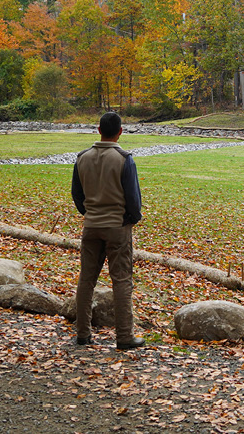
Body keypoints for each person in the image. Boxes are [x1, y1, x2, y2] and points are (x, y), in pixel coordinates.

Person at [71, 111, 145, 349]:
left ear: (99, 130)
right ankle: (124, 337)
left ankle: (82, 334)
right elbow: (133, 198)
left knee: (86, 280)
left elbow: (77, 194)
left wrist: (89, 213)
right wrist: (131, 219)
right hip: (117, 227)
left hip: (91, 225)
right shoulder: (124, 159)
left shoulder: (82, 157)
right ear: (120, 131)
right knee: (122, 280)